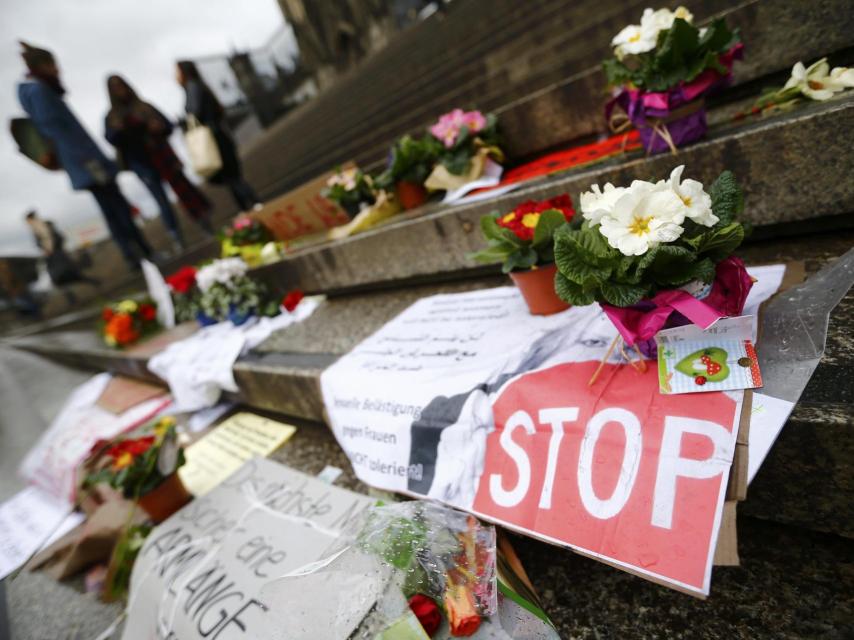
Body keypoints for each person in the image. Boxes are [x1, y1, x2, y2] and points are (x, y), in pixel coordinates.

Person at [16, 41, 153, 270]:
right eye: (54, 65)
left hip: (79, 162)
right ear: (44, 66)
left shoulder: (35, 91)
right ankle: (140, 254)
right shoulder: (40, 91)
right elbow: (56, 130)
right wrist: (88, 160)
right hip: (86, 162)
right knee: (117, 208)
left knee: (111, 209)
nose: (58, 70)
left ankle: (135, 255)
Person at [105, 75, 214, 250]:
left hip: (162, 155)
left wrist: (159, 127)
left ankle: (204, 223)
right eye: (115, 87)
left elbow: (167, 125)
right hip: (141, 163)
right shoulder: (113, 117)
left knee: (184, 190)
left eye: (121, 86)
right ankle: (176, 237)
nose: (120, 90)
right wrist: (120, 130)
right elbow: (112, 138)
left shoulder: (144, 107)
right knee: (162, 201)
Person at [176, 60, 261, 212]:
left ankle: (254, 204)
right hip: (217, 134)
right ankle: (248, 209)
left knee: (231, 178)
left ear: (183, 72)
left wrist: (183, 123)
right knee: (232, 177)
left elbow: (195, 112)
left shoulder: (192, 87)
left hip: (212, 138)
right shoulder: (199, 85)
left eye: (176, 72)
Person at [25, 210, 99, 304]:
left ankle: (95, 283)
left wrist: (54, 247)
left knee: (73, 275)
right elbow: (39, 244)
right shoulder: (35, 231)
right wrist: (45, 249)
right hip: (52, 259)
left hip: (59, 255)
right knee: (59, 280)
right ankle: (72, 300)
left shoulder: (47, 225)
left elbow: (60, 237)